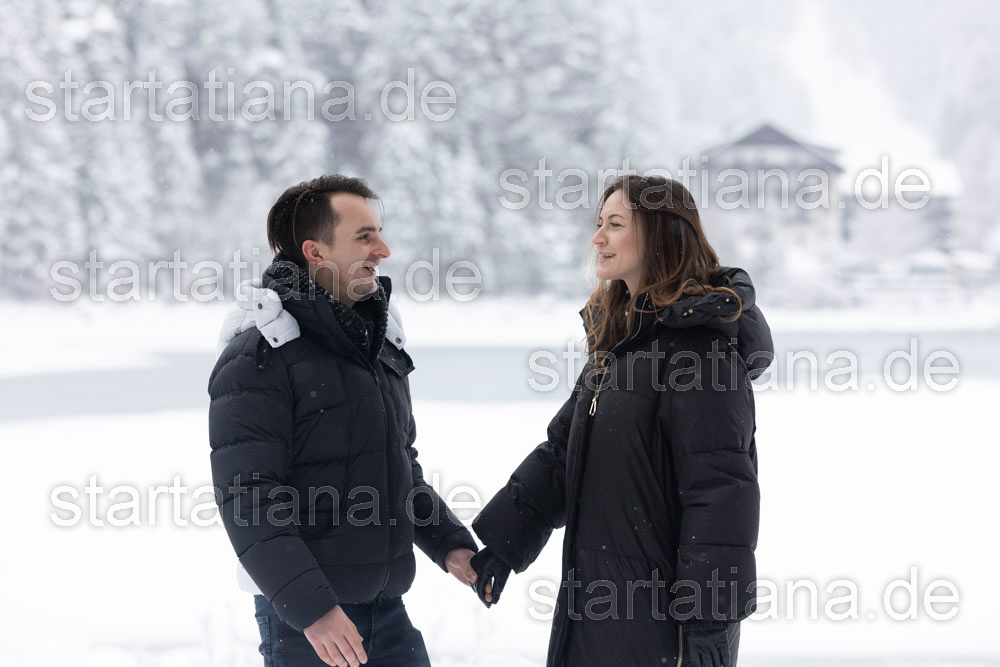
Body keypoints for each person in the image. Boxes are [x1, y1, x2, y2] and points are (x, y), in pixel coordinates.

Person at [469, 175, 774, 667]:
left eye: (614, 224)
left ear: (659, 235)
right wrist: (507, 543)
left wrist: (709, 620)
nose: (597, 238)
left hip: (661, 628)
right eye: (598, 223)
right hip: (595, 610)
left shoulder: (700, 352)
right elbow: (563, 454)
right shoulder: (619, 343)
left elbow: (720, 491)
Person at [209, 174, 480, 667]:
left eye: (380, 234)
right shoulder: (260, 356)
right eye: (364, 237)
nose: (384, 250)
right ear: (315, 252)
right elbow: (249, 497)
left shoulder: (376, 348)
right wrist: (314, 612)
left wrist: (449, 544)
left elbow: (400, 467)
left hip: (387, 611)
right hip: (309, 628)